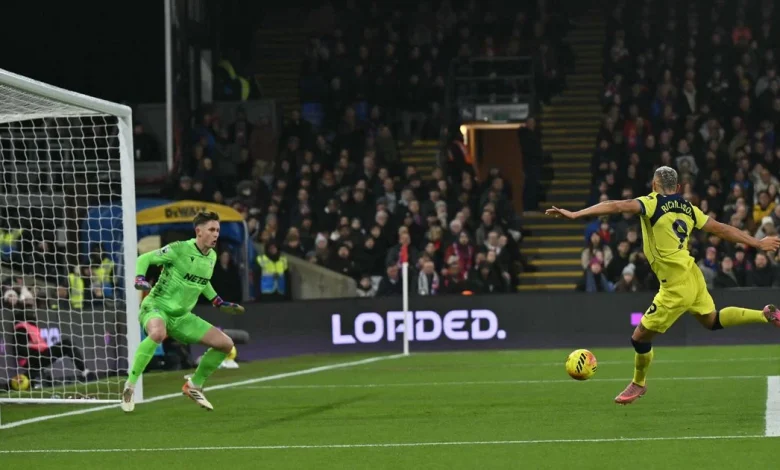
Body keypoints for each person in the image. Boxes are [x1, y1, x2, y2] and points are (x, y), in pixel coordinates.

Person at [546, 166, 780, 404]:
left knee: (639, 338)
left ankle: (638, 383)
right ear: (677, 188)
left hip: (675, 286)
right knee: (712, 320)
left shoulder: (652, 203)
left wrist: (576, 214)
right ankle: (764, 315)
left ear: (654, 185)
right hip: (692, 273)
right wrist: (758, 243)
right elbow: (721, 228)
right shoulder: (689, 208)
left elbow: (615, 205)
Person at [122, 211, 245, 412]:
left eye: (217, 230)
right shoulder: (179, 249)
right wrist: (139, 278)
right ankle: (130, 386)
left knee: (226, 344)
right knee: (158, 333)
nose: (216, 234)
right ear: (199, 231)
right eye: (211, 230)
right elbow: (144, 258)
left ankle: (194, 385)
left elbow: (202, 282)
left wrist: (217, 301)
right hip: (156, 307)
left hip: (181, 317)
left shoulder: (212, 256)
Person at [12, 310, 92, 385]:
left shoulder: (30, 326)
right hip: (33, 358)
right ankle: (85, 372)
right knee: (66, 344)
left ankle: (24, 380)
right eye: (32, 313)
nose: (35, 315)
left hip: (38, 356)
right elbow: (20, 349)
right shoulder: (21, 327)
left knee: (34, 372)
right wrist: (35, 348)